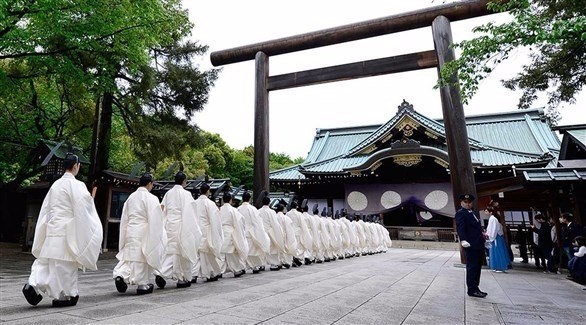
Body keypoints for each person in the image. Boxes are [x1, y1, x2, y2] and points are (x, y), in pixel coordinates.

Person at [23, 153, 103, 307]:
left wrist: (44, 230)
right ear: (75, 166)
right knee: (65, 267)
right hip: (67, 232)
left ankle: (32, 284)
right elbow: (83, 210)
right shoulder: (77, 185)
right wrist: (91, 202)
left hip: (53, 229)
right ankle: (65, 295)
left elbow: (46, 210)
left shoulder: (55, 185)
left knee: (46, 262)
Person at [113, 173, 166, 295]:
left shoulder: (131, 198)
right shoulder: (151, 198)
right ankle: (143, 284)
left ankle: (121, 275)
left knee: (129, 257)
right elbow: (154, 218)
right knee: (143, 258)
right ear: (149, 184)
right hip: (143, 231)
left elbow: (125, 217)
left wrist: (124, 233)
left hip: (131, 230)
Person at [157, 171, 202, 288]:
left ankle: (161, 272)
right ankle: (182, 278)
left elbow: (162, 208)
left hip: (169, 225)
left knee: (170, 251)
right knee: (183, 253)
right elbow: (190, 213)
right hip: (182, 226)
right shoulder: (186, 194)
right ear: (184, 181)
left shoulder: (168, 193)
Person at [455, 194, 487, 298]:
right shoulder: (461, 213)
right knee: (472, 267)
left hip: (477, 243)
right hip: (471, 244)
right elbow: (460, 227)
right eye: (465, 202)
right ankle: (472, 289)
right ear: (461, 203)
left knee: (477, 267)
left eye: (469, 202)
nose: (468, 204)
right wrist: (463, 239)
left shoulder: (472, 213)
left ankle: (476, 288)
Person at [194, 183, 224, 282]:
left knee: (196, 254)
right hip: (206, 231)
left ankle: (193, 274)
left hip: (195, 230)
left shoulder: (194, 203)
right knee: (207, 254)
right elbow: (215, 220)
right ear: (208, 191)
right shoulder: (210, 204)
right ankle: (210, 273)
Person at [237, 191, 270, 274]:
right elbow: (257, 222)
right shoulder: (253, 209)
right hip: (251, 232)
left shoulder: (238, 209)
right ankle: (255, 266)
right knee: (253, 251)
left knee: (243, 250)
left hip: (242, 232)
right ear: (249, 199)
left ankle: (243, 267)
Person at [219, 192, 249, 277]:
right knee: (231, 254)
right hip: (230, 233)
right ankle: (236, 269)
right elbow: (240, 221)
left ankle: (219, 271)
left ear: (222, 200)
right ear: (231, 200)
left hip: (221, 232)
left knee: (221, 255)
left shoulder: (219, 210)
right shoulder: (233, 210)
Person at [257, 192, 285, 271]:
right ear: (269, 203)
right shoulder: (272, 212)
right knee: (273, 248)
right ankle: (274, 264)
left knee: (261, 248)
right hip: (270, 232)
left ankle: (261, 264)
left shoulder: (258, 211)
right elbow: (275, 224)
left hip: (261, 231)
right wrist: (278, 233)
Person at [484, 206, 510, 272]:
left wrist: (489, 235)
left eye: (486, 211)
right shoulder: (493, 218)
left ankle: (499, 267)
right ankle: (497, 267)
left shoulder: (492, 219)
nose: (485, 212)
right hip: (496, 236)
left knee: (497, 252)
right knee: (496, 252)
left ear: (491, 212)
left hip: (496, 237)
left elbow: (493, 229)